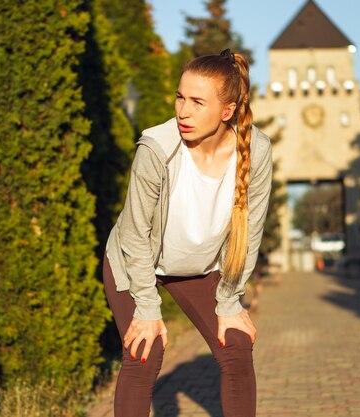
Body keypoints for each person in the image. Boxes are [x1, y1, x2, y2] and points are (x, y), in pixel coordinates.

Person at [103, 48, 272, 417]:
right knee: (145, 351)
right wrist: (148, 308)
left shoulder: (255, 151)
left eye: (197, 102)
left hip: (198, 268)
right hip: (136, 262)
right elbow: (133, 234)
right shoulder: (157, 147)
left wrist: (230, 300)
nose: (183, 111)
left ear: (226, 111)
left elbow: (250, 233)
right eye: (180, 97)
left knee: (237, 345)